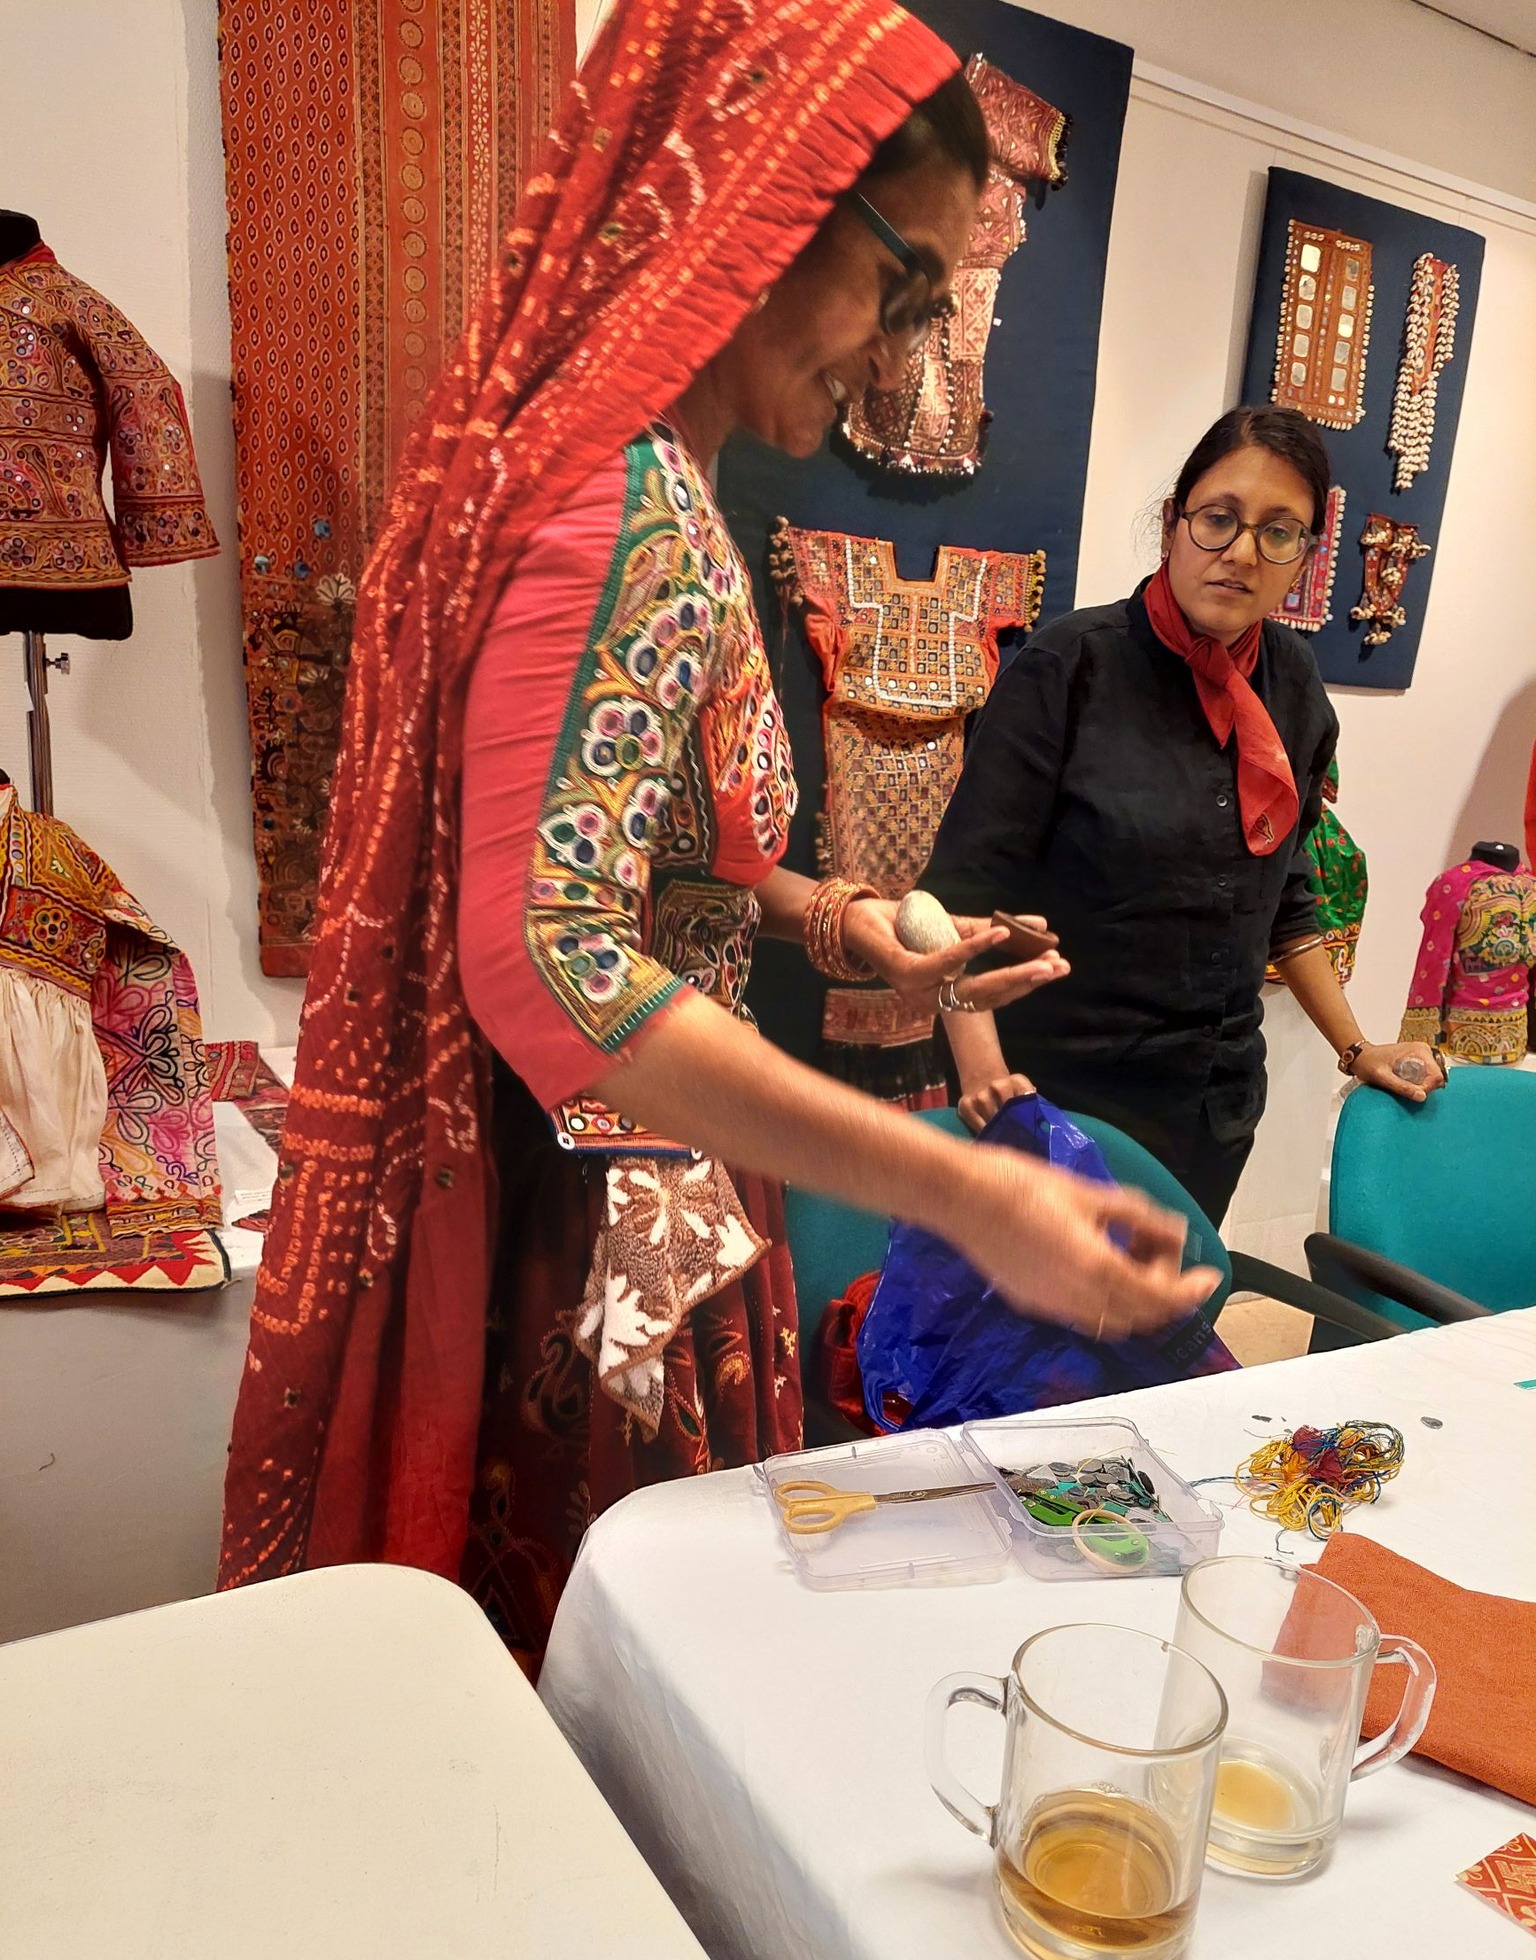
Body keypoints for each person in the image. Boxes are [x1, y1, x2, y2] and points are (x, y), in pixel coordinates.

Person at [217, 0, 1215, 1656]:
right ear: (765, 203)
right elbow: (549, 956)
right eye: (899, 288)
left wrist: (866, 928)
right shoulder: (618, 502)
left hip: (657, 1207)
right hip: (613, 1240)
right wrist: (963, 1194)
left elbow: (678, 875)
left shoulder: (665, 488)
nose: (901, 349)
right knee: (623, 1688)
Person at [923, 405, 1446, 1226]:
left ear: (1304, 556)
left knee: (1165, 1341)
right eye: (1219, 519)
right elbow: (958, 901)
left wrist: (1358, 1047)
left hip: (1212, 1105)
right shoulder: (1068, 670)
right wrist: (988, 1086)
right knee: (1032, 1352)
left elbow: (1289, 897)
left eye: (1280, 532)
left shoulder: (1294, 686)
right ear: (1174, 523)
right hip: (1056, 1102)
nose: (1241, 552)